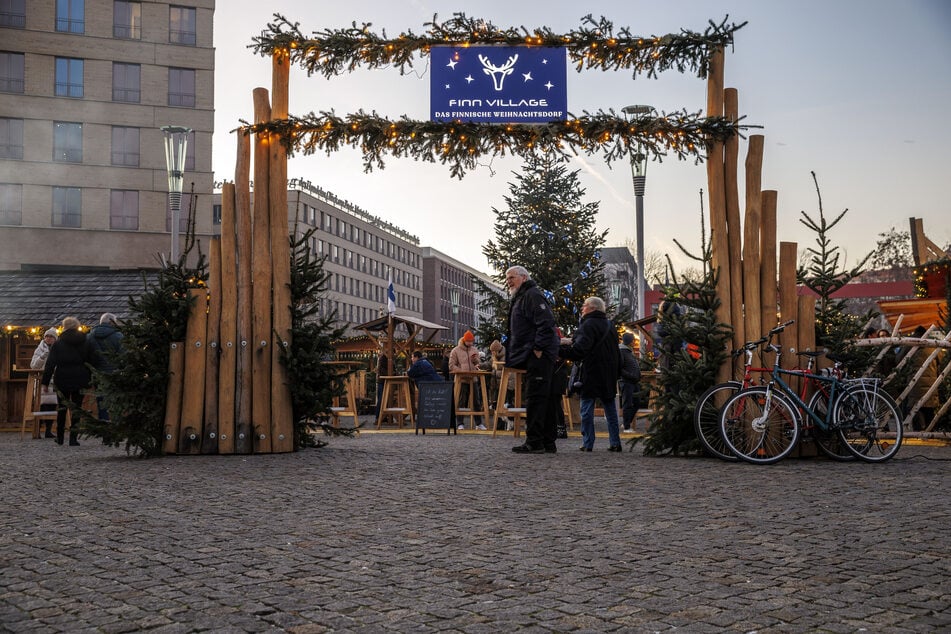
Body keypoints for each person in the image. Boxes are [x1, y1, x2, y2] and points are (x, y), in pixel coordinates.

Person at [504, 265, 559, 453]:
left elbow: (546, 323)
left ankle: (535, 442)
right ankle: (547, 441)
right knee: (545, 398)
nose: (508, 281)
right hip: (534, 352)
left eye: (512, 277)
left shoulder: (532, 295)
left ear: (524, 278)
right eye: (507, 278)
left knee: (536, 398)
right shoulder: (523, 296)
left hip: (537, 354)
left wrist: (537, 348)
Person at [559, 297, 623, 452]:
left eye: (585, 305)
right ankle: (615, 442)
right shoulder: (610, 325)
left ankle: (588, 443)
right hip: (609, 372)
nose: (582, 308)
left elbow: (580, 350)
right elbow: (615, 350)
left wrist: (559, 350)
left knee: (586, 408)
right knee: (610, 409)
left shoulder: (587, 325)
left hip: (591, 371)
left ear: (593, 308)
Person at [41, 316, 91, 446]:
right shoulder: (86, 342)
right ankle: (73, 438)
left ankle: (60, 437)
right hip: (81, 377)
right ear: (77, 326)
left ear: (64, 327)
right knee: (77, 408)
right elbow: (92, 361)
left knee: (62, 408)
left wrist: (45, 382)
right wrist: (92, 379)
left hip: (62, 377)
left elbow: (50, 364)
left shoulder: (58, 343)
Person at [86, 312, 123, 421]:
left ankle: (104, 426)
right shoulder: (118, 336)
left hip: (97, 373)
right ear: (111, 322)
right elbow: (123, 355)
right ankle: (116, 425)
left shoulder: (90, 336)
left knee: (101, 402)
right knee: (115, 401)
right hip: (114, 373)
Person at [450, 330, 485, 430]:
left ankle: (479, 423)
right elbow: (452, 365)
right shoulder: (455, 350)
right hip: (461, 379)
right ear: (464, 340)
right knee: (461, 401)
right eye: (468, 341)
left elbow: (478, 363)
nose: (470, 343)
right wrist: (461, 371)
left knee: (476, 401)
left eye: (471, 341)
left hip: (473, 378)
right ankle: (460, 423)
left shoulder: (474, 349)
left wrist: (476, 361)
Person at [30, 328, 59, 438]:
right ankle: (37, 430)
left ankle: (48, 430)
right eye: (47, 336)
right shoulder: (39, 349)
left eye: (51, 336)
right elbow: (33, 366)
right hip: (42, 381)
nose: (48, 338)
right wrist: (43, 357)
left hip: (54, 381)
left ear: (55, 338)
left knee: (52, 405)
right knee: (41, 405)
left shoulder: (59, 349)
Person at [618, 331, 642, 433]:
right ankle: (627, 427)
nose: (634, 342)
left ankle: (626, 423)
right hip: (627, 382)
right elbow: (619, 368)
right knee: (627, 404)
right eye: (633, 340)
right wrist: (630, 375)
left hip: (634, 381)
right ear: (629, 341)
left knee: (637, 403)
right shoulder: (622, 351)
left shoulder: (628, 351)